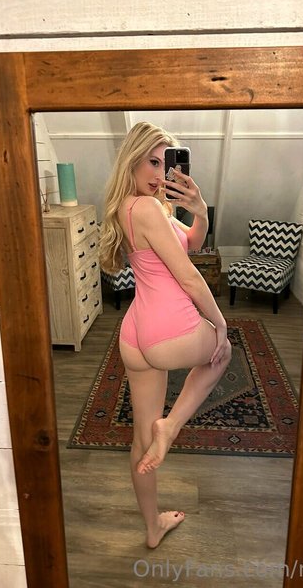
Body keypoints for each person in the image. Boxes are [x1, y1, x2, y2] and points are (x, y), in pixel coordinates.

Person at [99, 122, 232, 549]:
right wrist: (219, 324)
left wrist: (200, 209)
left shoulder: (136, 206)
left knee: (141, 440)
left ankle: (153, 527)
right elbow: (189, 277)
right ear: (132, 160)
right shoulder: (149, 209)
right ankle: (171, 428)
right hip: (168, 329)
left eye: (166, 164)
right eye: (152, 162)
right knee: (223, 353)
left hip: (136, 334)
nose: (160, 173)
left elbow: (191, 242)